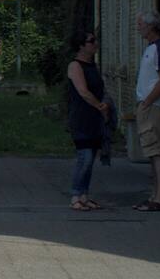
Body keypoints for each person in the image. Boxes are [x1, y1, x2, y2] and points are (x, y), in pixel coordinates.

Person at [133, 11, 160, 212]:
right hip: (146, 105)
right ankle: (154, 194)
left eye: (141, 24)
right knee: (151, 151)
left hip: (152, 107)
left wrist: (147, 101)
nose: (138, 27)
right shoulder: (150, 48)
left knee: (156, 151)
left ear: (151, 27)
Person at [65, 30, 108, 211]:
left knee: (91, 157)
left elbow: (99, 88)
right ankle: (75, 194)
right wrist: (99, 106)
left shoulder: (93, 66)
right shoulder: (75, 66)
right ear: (81, 46)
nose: (95, 44)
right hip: (81, 117)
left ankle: (84, 195)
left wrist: (104, 106)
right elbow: (83, 91)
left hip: (94, 119)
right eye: (91, 41)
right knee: (85, 156)